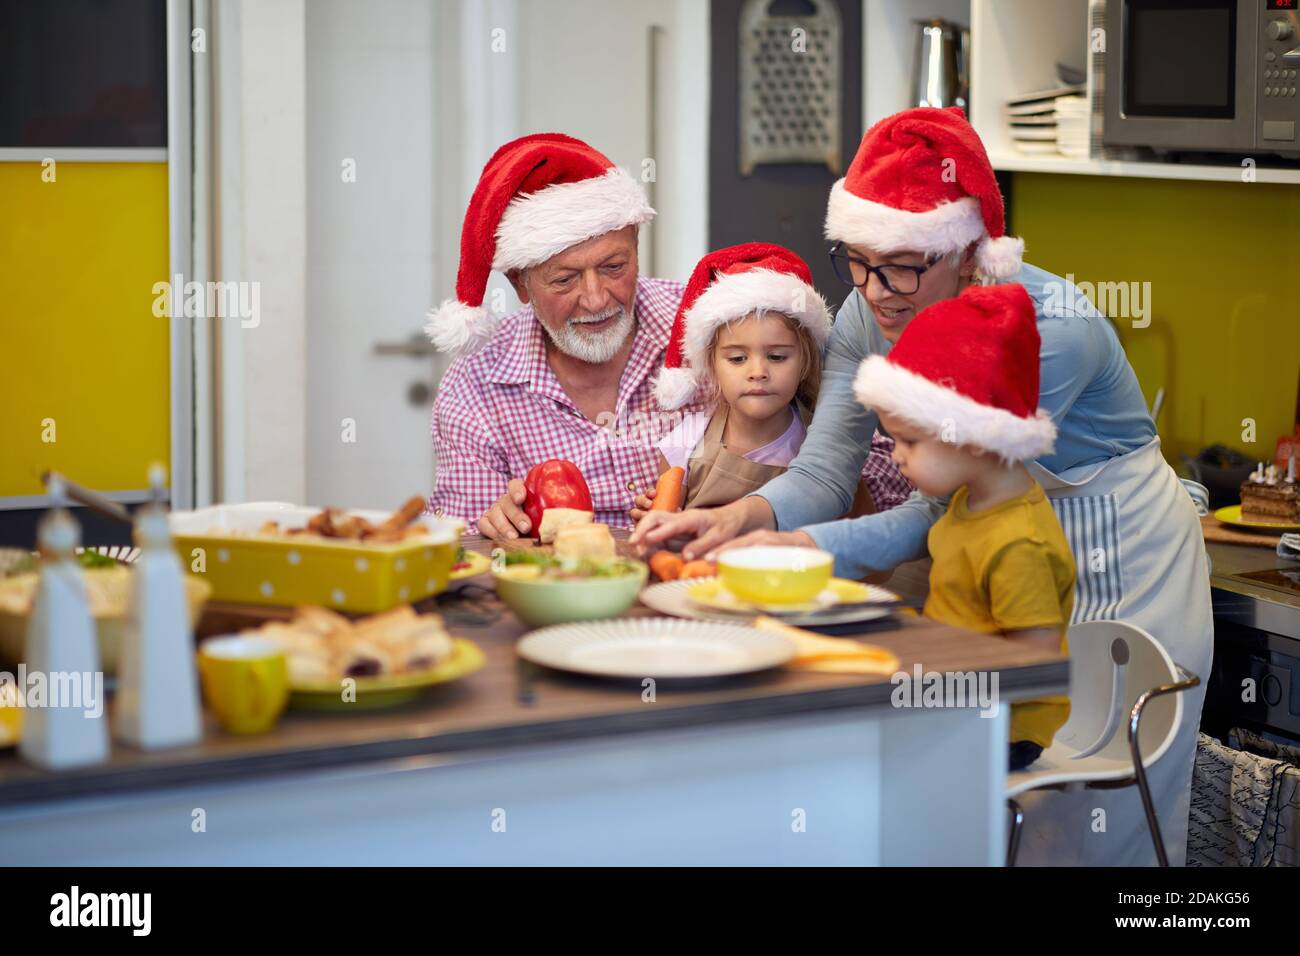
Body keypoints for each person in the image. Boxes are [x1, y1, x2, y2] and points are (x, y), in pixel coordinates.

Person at [634, 106, 1213, 866]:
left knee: (1088, 827)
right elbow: (826, 469)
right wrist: (744, 515)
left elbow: (932, 509)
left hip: (1118, 553)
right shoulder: (867, 312)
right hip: (994, 547)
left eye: (905, 264)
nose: (877, 290)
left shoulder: (1047, 327)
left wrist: (791, 547)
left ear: (967, 250)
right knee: (990, 806)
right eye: (858, 259)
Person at [855, 282, 1074, 770]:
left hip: (1003, 725)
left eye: (910, 441)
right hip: (959, 700)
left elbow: (1033, 664)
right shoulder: (966, 504)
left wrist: (927, 678)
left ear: (974, 436)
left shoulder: (1019, 542)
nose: (897, 455)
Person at [629, 243, 913, 520]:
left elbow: (852, 523)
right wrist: (657, 516)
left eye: (777, 357)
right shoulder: (687, 440)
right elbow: (666, 515)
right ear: (712, 367)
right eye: (737, 359)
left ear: (805, 363)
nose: (758, 372)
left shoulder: (817, 439)